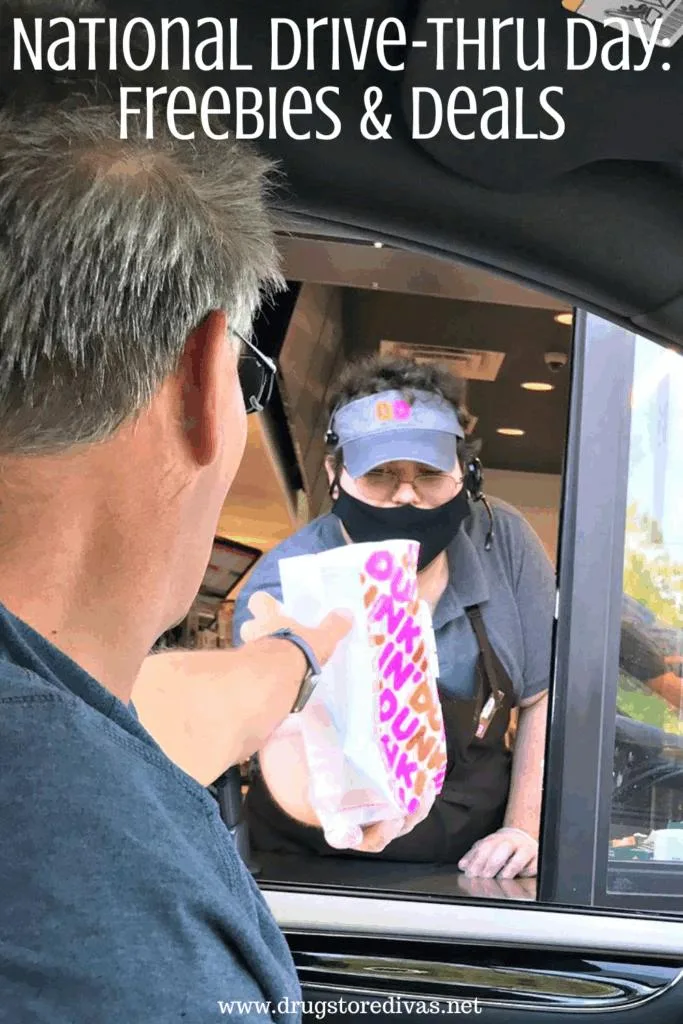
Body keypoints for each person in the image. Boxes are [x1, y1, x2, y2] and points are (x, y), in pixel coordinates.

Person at [0, 57, 367, 1023]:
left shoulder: (45, 712)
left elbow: (149, 711)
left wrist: (300, 656)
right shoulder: (110, 933)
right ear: (205, 379)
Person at [233, 356, 556, 880]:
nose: (406, 494)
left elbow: (542, 697)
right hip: (307, 863)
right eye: (380, 473)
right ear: (336, 475)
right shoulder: (285, 580)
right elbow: (276, 730)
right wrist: (338, 812)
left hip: (470, 870)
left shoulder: (505, 543)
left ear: (467, 476)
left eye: (428, 473)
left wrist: (523, 827)